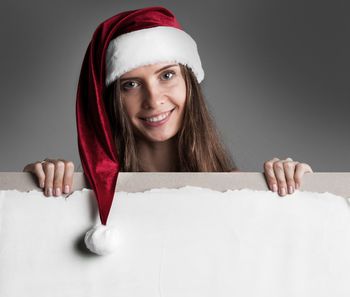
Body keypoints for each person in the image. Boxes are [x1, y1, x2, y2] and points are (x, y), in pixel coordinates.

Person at [23, 6, 313, 226]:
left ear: (189, 82)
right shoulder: (86, 198)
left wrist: (298, 188)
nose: (154, 100)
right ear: (111, 101)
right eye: (131, 85)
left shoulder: (239, 190)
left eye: (167, 75)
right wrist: (35, 190)